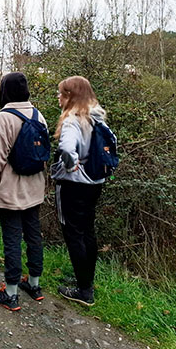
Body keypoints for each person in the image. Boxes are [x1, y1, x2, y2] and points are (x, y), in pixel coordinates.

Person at [0, 72, 46, 311]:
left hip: (11, 191)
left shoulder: (2, 119)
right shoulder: (39, 115)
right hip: (35, 187)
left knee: (12, 239)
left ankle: (10, 293)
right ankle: (34, 284)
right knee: (33, 236)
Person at [51, 76, 112, 307]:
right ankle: (85, 280)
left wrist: (70, 164)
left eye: (61, 93)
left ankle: (84, 291)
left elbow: (67, 147)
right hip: (94, 182)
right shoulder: (96, 117)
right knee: (87, 230)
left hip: (74, 185)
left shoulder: (72, 120)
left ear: (70, 96)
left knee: (73, 233)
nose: (58, 97)